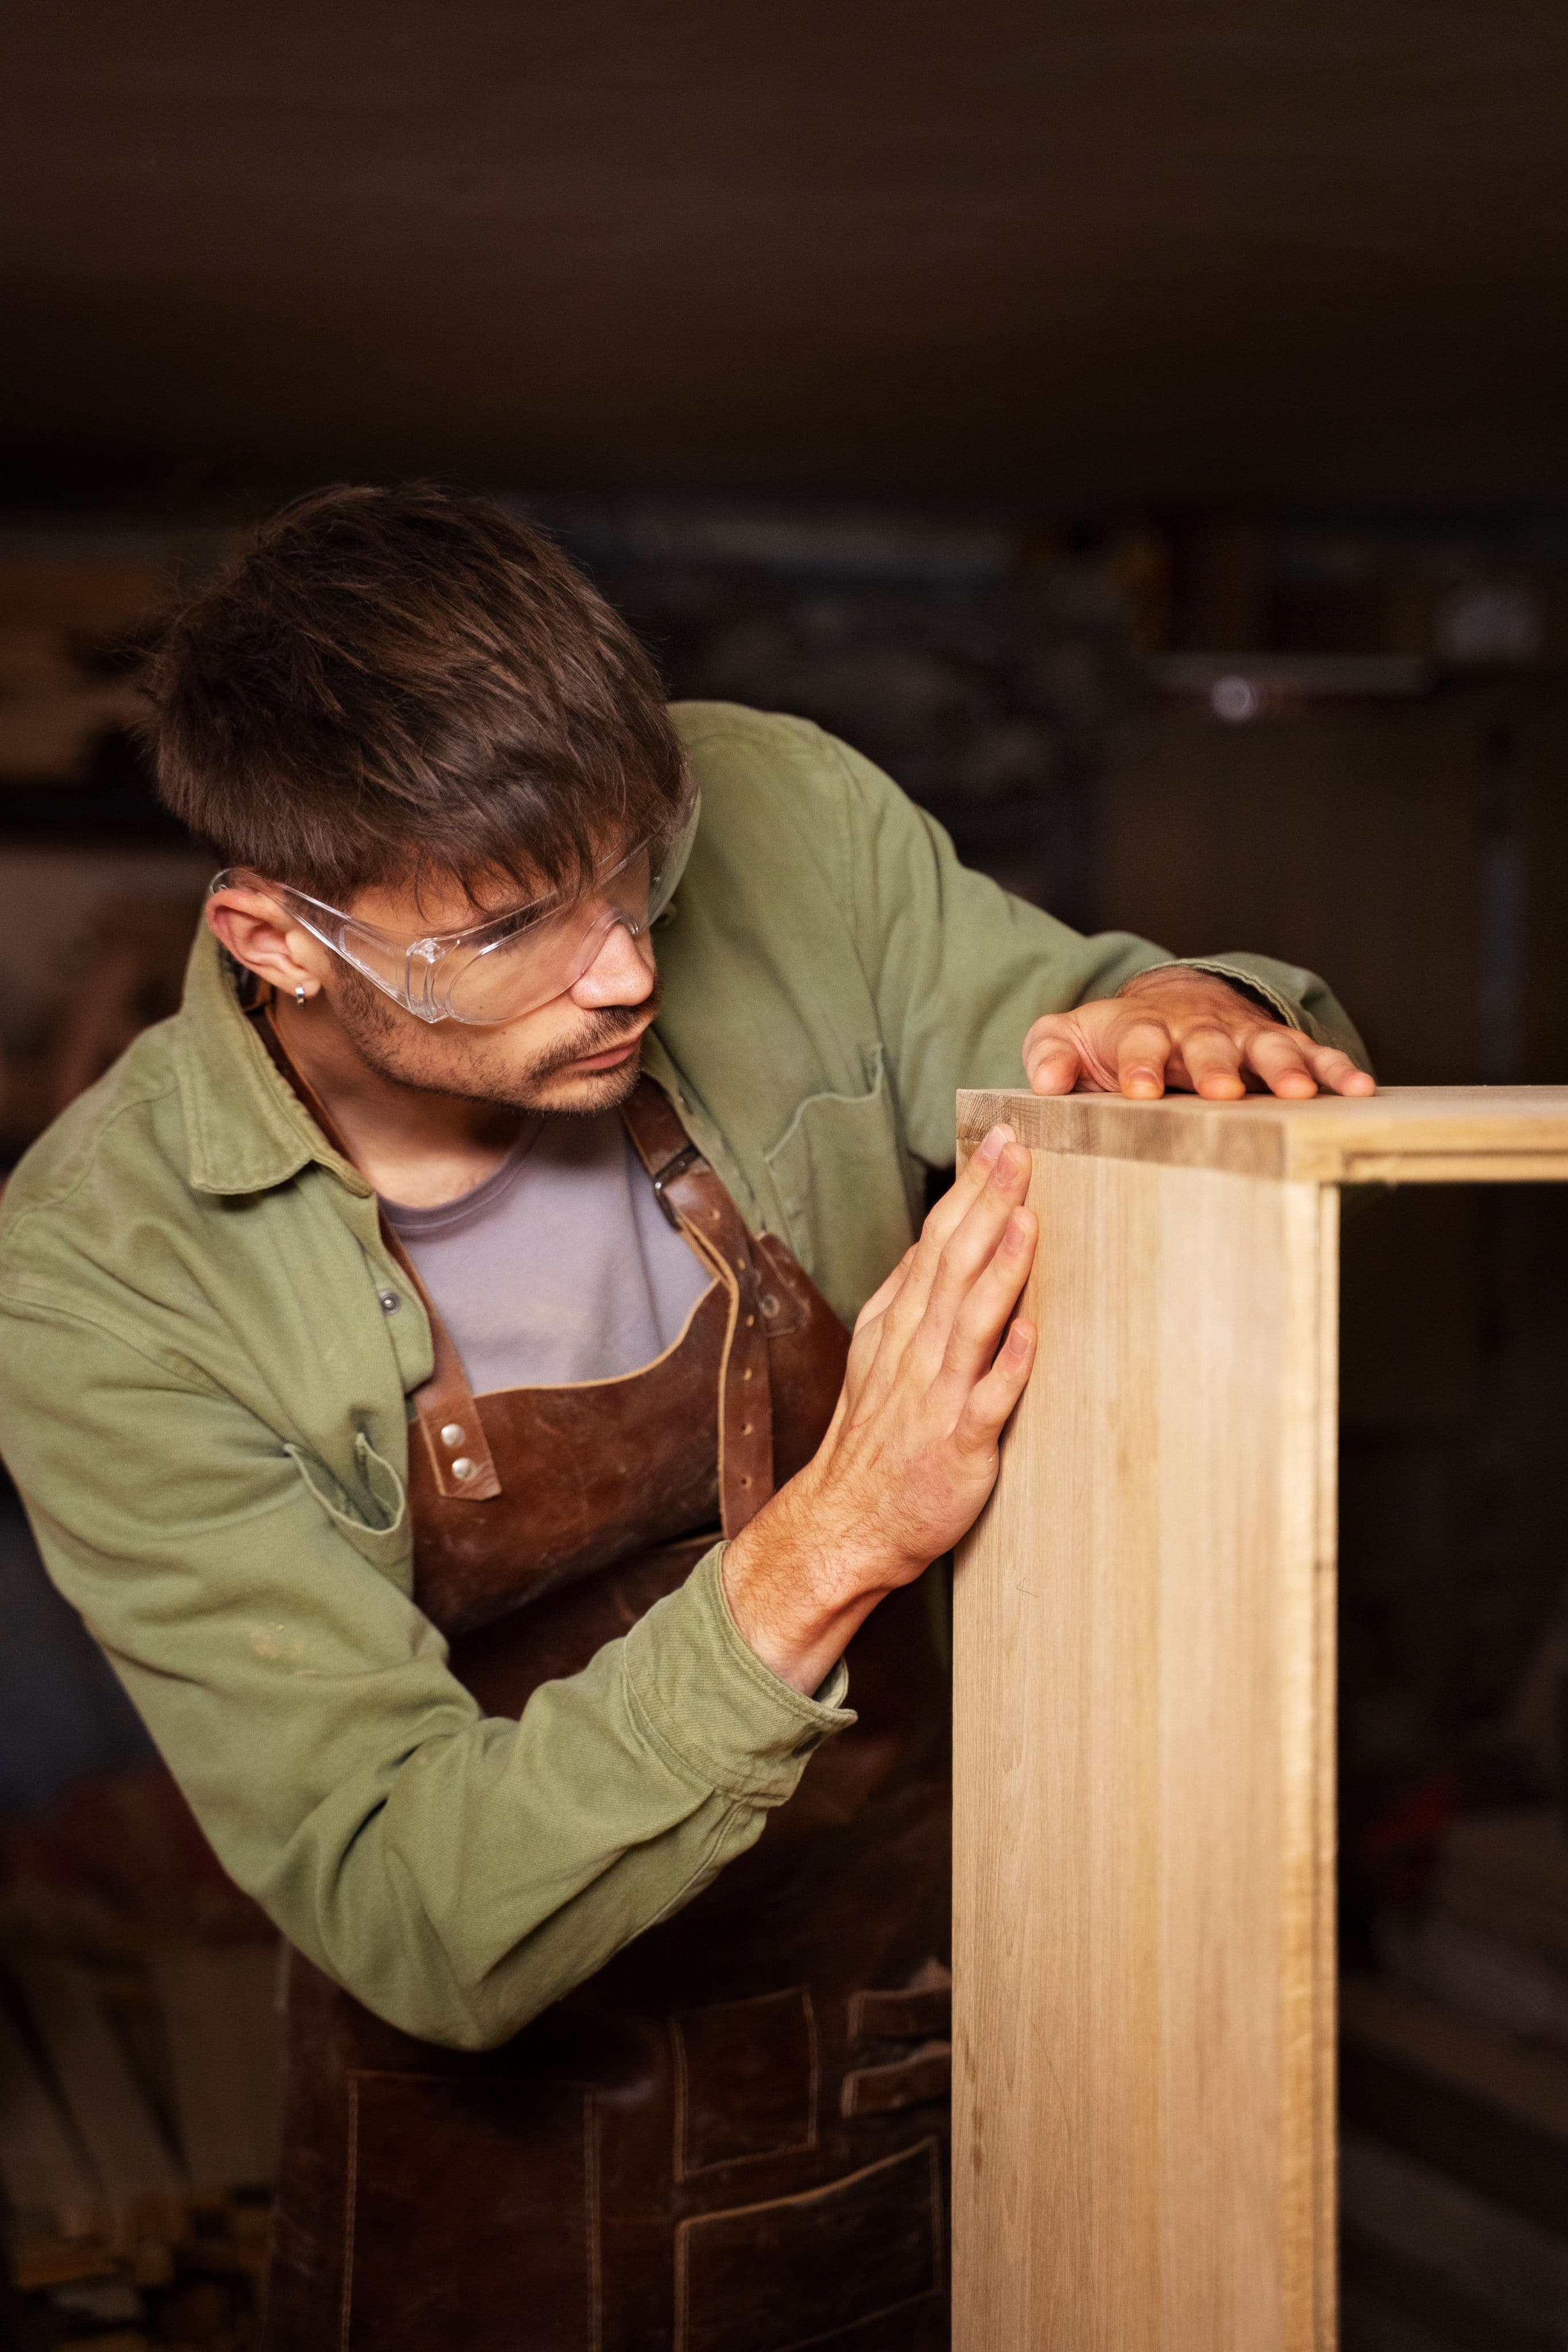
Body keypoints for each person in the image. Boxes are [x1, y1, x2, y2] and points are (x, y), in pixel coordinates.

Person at [0, 486, 1372, 2351]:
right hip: (513, 2175)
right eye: (510, 929)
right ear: (278, 937)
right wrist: (837, 1538)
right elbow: (413, 1906)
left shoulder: (780, 805)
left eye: (636, 869)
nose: (627, 968)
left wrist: (1180, 1010)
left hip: (944, 2027)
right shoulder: (106, 1275)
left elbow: (1078, 1022)